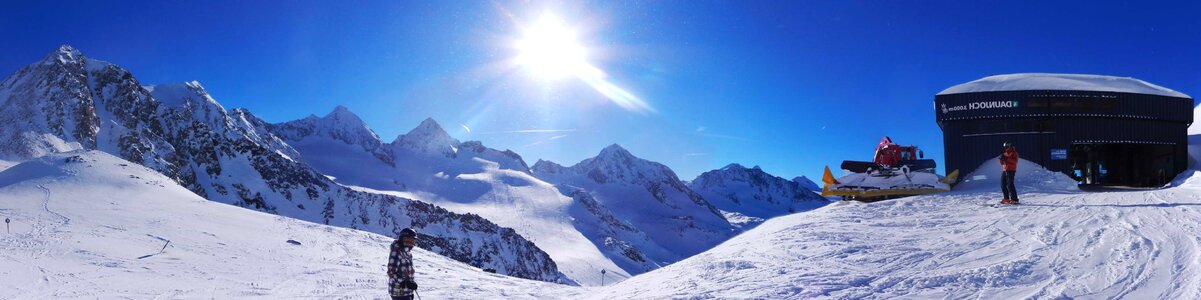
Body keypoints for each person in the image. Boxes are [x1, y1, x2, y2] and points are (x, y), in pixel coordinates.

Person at [388, 228, 419, 300]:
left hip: (407, 291)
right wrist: (406, 283)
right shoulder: (396, 252)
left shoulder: (407, 253)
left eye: (412, 241)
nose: (410, 243)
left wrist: (411, 282)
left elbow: (406, 272)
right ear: (401, 239)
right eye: (407, 240)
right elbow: (391, 272)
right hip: (399, 292)